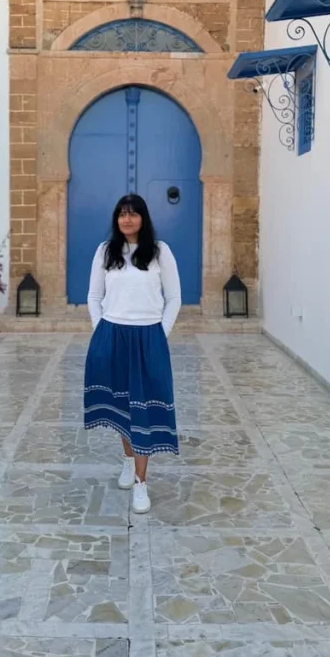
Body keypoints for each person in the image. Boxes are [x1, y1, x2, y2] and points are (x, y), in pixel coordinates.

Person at [84, 194, 181, 514]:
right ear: (116, 219)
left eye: (133, 214)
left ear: (143, 218)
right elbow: (94, 296)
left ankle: (141, 482)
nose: (127, 219)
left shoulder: (160, 251)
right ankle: (128, 461)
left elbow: (174, 298)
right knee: (122, 406)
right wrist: (101, 330)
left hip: (148, 336)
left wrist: (160, 333)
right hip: (113, 334)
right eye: (122, 214)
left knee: (145, 408)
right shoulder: (105, 251)